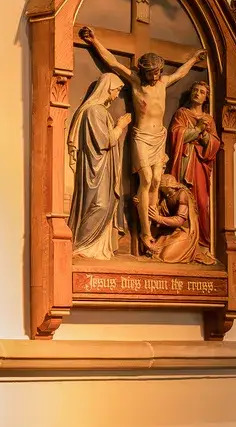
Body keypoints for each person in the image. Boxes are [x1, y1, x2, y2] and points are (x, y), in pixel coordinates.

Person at [78, 26, 205, 256]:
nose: (153, 77)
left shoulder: (164, 82)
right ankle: (145, 233)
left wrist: (194, 58)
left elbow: (182, 74)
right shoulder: (136, 82)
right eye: (149, 73)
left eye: (156, 73)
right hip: (141, 136)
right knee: (145, 179)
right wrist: (95, 41)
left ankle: (151, 225)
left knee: (156, 180)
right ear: (143, 72)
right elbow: (114, 64)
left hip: (158, 136)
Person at [67, 74, 133, 259]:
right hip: (95, 168)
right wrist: (120, 126)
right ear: (108, 88)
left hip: (102, 166)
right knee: (100, 205)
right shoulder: (94, 111)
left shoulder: (101, 111)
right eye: (117, 89)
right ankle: (82, 245)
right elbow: (105, 141)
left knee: (103, 204)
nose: (117, 94)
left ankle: (95, 247)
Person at [167, 80, 220, 266]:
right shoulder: (182, 113)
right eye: (195, 90)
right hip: (185, 161)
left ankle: (202, 246)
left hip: (200, 165)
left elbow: (215, 144)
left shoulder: (209, 119)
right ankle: (184, 244)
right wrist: (196, 130)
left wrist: (205, 135)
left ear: (206, 97)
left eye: (202, 92)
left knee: (203, 204)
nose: (197, 93)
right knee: (184, 200)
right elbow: (176, 134)